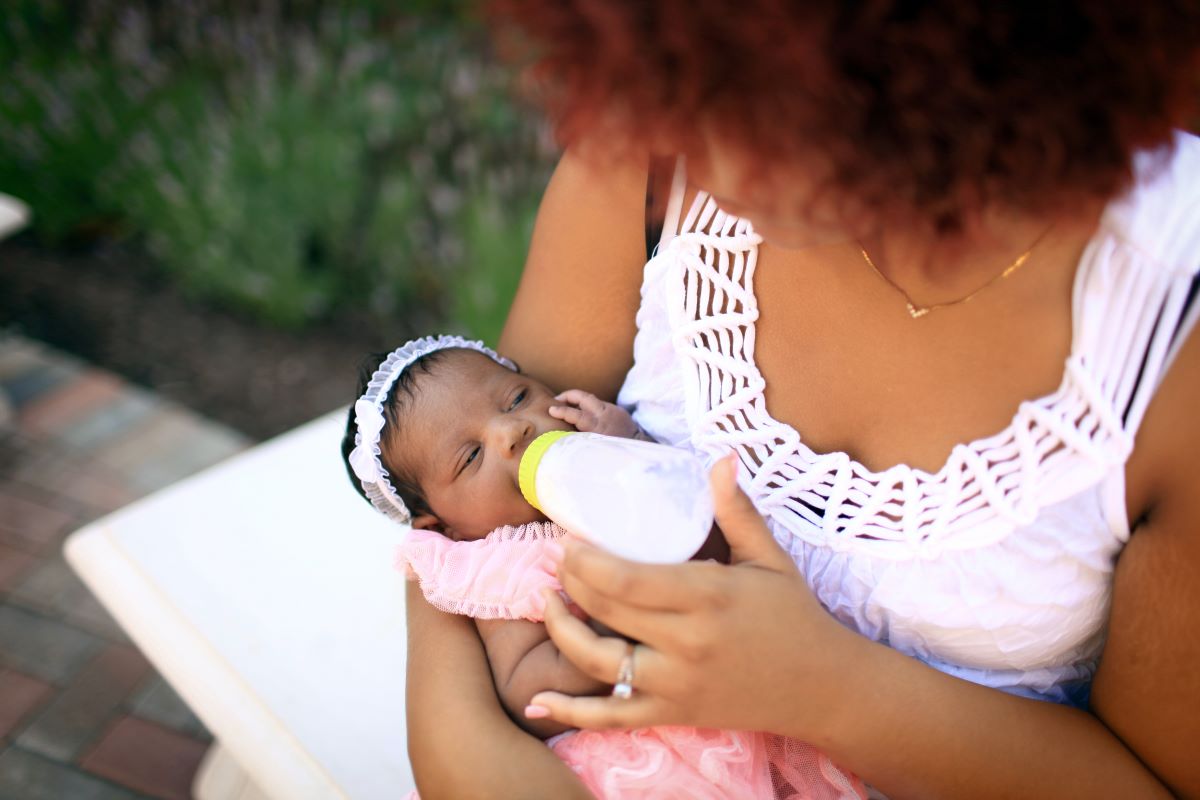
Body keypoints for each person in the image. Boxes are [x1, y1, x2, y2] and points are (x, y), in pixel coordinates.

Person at [406, 3, 1200, 797]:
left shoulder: (1171, 335)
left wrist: (827, 691)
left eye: (755, 98)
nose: (694, 142)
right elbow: (461, 512)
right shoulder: (659, 123)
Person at [341, 334, 865, 798]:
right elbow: (525, 687)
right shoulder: (494, 564)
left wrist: (629, 442)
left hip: (731, 695)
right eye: (471, 457)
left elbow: (697, 521)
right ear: (442, 526)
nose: (510, 432)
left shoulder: (606, 462)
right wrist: (604, 631)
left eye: (517, 397)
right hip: (631, 756)